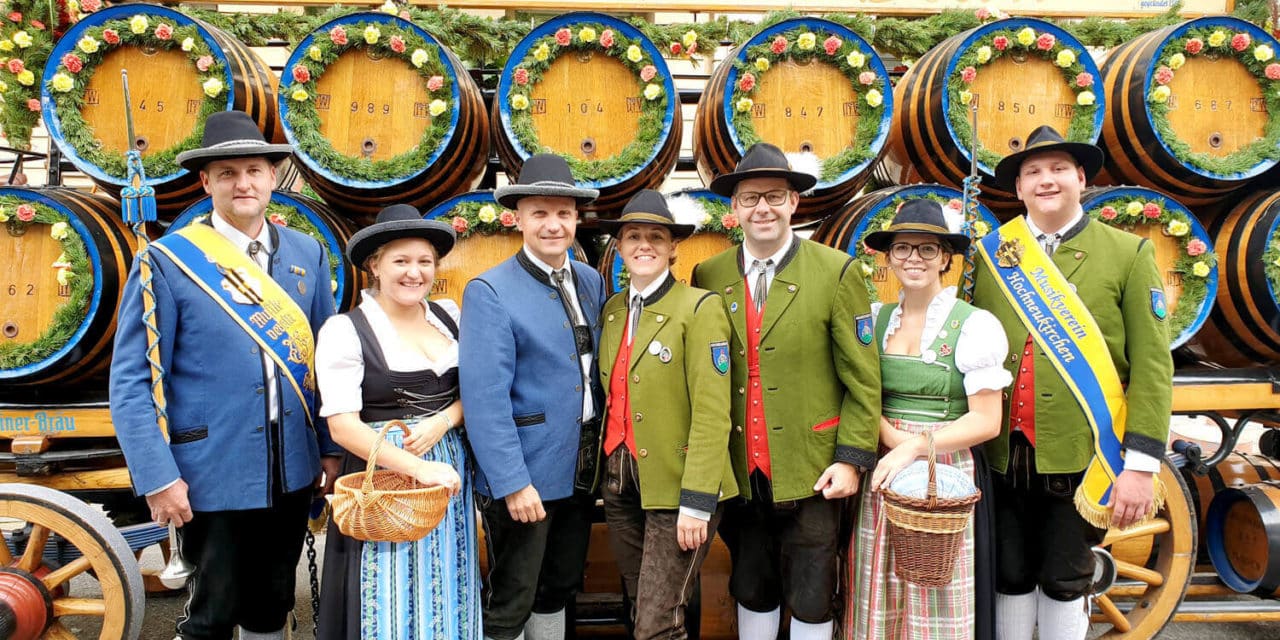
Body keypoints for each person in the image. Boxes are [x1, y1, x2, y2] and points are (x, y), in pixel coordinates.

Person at [109, 110, 341, 640]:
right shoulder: (167, 263)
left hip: (292, 468)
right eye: (229, 173)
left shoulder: (306, 252)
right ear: (206, 181)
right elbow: (132, 382)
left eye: (254, 170)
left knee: (270, 605)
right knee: (212, 614)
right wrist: (158, 477)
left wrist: (328, 448)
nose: (244, 183)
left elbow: (322, 361)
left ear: (271, 178)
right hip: (208, 472)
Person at [973, 126, 1173, 640]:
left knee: (1065, 579)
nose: (1046, 181)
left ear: (1080, 178)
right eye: (1032, 173)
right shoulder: (991, 255)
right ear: (1017, 189)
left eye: (1058, 169)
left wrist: (1141, 466)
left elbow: (1152, 367)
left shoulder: (1128, 253)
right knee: (1009, 577)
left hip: (1083, 454)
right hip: (1001, 453)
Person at [691, 142, 881, 640]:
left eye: (775, 196)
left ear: (794, 203)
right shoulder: (708, 275)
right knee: (752, 585)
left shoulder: (835, 271)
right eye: (751, 198)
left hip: (813, 465)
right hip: (740, 466)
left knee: (813, 592)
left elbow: (863, 378)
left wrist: (851, 459)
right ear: (734, 209)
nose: (763, 208)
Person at [844, 199, 1010, 639]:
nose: (913, 259)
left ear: (946, 260)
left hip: (944, 472)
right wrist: (888, 435)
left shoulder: (974, 325)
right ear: (888, 258)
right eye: (902, 248)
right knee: (877, 583)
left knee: (934, 587)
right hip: (883, 470)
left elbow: (987, 421)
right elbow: (863, 397)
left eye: (927, 249)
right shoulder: (877, 321)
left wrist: (915, 446)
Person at [460, 153, 605, 640]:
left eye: (563, 213)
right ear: (517, 217)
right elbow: (484, 400)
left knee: (558, 588)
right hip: (525, 474)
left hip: (580, 470)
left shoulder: (590, 280)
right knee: (512, 598)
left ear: (576, 218)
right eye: (539, 213)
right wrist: (512, 482)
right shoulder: (489, 290)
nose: (552, 224)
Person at [313, 204, 471, 639]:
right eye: (400, 261)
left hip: (449, 475)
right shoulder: (345, 331)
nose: (413, 273)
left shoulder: (449, 317)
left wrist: (442, 422)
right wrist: (419, 467)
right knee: (388, 594)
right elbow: (343, 427)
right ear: (374, 266)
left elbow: (472, 393)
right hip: (381, 473)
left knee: (449, 580)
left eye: (424, 262)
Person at [595, 190, 737, 639]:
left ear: (674, 247)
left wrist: (697, 501)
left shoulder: (699, 308)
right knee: (646, 607)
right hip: (620, 481)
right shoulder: (614, 310)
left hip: (678, 485)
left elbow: (714, 412)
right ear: (618, 246)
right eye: (633, 236)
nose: (644, 245)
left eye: (656, 237)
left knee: (656, 622)